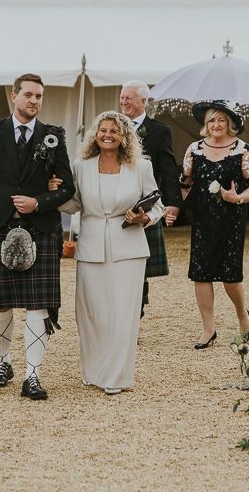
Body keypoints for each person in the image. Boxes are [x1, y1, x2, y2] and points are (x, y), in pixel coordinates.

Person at [0, 73, 74, 401]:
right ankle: (3, 362)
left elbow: (68, 187)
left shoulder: (53, 136)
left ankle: (33, 375)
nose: (34, 101)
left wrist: (38, 202)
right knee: (0, 305)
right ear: (14, 96)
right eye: (28, 95)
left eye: (39, 96)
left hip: (41, 229)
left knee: (38, 306)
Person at [58, 111, 163, 395]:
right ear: (95, 134)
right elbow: (72, 205)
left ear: (124, 136)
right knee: (91, 313)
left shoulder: (140, 167)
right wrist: (54, 192)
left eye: (114, 131)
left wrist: (144, 218)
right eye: (103, 130)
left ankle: (116, 377)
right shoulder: (81, 166)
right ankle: (93, 371)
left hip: (129, 248)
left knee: (122, 313)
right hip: (91, 246)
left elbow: (157, 205)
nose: (107, 135)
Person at [181, 100, 249, 349]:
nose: (216, 124)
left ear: (230, 124)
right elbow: (185, 186)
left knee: (230, 276)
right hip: (203, 220)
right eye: (211, 120)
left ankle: (242, 317)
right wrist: (184, 177)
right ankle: (208, 329)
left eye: (221, 120)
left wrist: (235, 198)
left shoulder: (241, 149)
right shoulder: (194, 149)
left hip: (231, 221)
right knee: (201, 274)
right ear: (206, 124)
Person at [119, 80, 183, 318]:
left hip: (143, 205)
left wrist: (173, 203)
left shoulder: (159, 131)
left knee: (140, 262)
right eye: (122, 97)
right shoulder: (111, 127)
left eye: (129, 98)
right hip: (114, 202)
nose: (123, 102)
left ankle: (137, 310)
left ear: (143, 101)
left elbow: (167, 168)